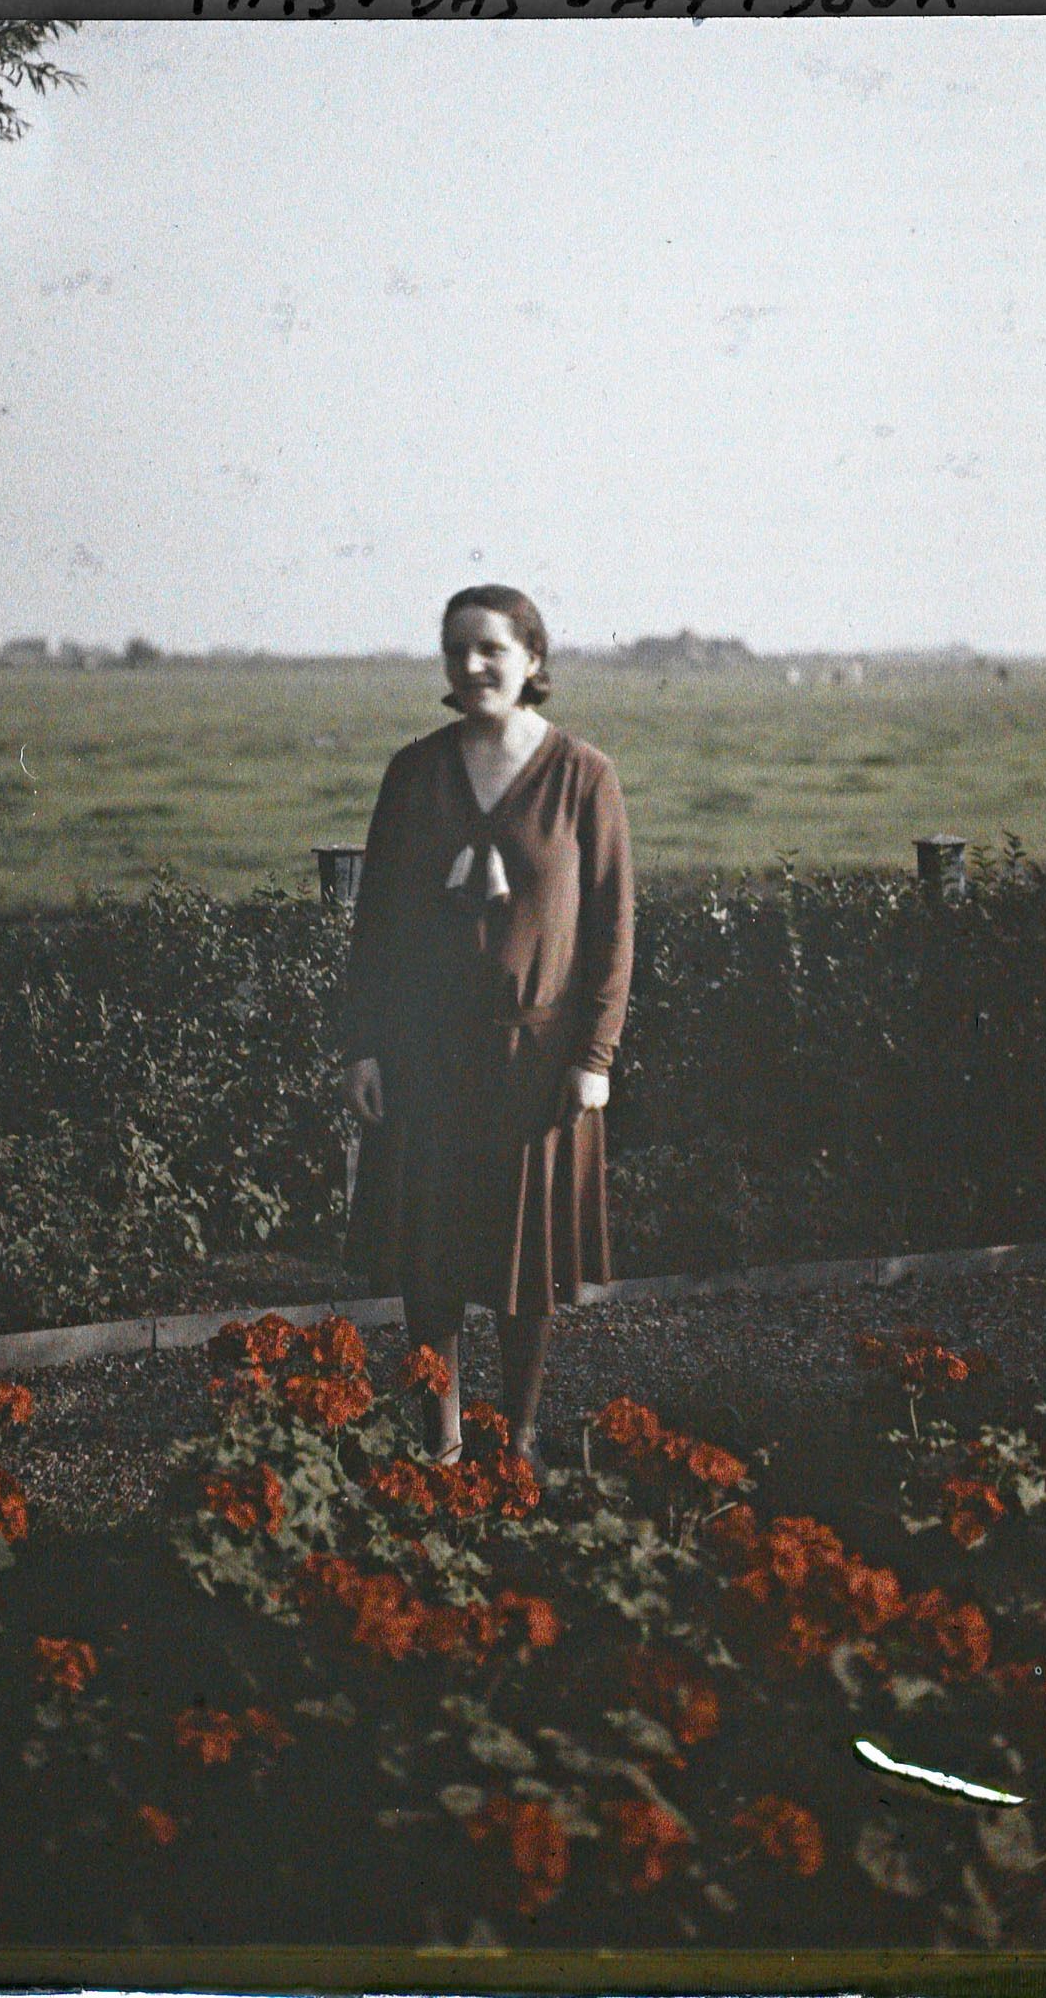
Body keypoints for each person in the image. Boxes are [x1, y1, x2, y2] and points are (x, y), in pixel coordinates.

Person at [340, 584, 634, 1473]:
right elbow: (377, 925)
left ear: (532, 661)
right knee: (430, 1261)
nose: (471, 668)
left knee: (523, 1260)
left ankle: (521, 1437)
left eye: (492, 650)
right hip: (426, 1057)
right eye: (455, 650)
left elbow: (614, 923)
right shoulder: (414, 772)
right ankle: (442, 1437)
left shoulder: (584, 775)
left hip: (536, 1059)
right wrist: (361, 1045)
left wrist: (595, 1054)